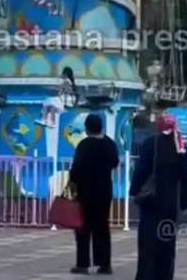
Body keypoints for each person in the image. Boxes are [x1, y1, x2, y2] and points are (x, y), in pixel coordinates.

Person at [130, 111, 187, 280]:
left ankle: (145, 275)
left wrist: (134, 190)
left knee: (148, 243)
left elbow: (141, 170)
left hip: (151, 201)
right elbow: (185, 177)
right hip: (170, 204)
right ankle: (165, 275)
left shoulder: (151, 143)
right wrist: (184, 203)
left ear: (159, 126)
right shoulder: (181, 145)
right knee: (167, 243)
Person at [68, 114, 120, 275]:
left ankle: (83, 264)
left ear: (87, 128)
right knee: (102, 227)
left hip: (86, 192)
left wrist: (72, 188)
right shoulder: (109, 143)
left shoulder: (84, 145)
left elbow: (76, 169)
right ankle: (105, 264)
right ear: (101, 127)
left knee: (83, 227)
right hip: (104, 192)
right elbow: (115, 162)